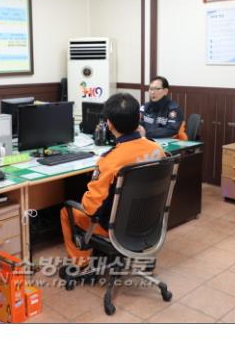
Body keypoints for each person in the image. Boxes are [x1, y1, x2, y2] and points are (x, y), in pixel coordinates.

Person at [60, 92, 164, 272]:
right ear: (139, 119)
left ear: (109, 124)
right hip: (149, 222)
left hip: (116, 228)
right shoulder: (157, 149)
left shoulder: (110, 160)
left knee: (66, 212)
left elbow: (91, 208)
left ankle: (80, 263)